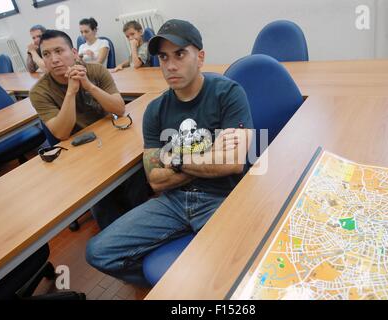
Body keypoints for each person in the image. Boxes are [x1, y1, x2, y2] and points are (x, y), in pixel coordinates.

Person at [86, 19, 254, 286]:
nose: (170, 65)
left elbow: (232, 163)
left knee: (237, 271)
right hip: (174, 202)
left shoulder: (228, 93)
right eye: (163, 57)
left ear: (200, 57)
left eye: (180, 54)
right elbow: (155, 180)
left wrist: (174, 160)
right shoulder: (155, 110)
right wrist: (210, 158)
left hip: (221, 196)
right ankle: (171, 287)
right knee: (98, 252)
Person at [29, 29, 149, 229]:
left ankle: (143, 222)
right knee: (100, 198)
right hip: (78, 152)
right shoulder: (39, 91)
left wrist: (89, 85)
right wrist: (71, 91)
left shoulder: (95, 71)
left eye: (59, 51)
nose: (54, 59)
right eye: (46, 54)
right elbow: (61, 133)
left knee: (134, 171)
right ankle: (115, 237)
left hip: (109, 138)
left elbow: (119, 109)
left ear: (74, 52)